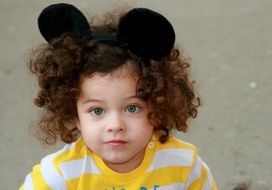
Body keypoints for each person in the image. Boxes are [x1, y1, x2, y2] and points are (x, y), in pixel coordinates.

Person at [20, 3, 217, 190]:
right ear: (74, 115)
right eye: (97, 110)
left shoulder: (184, 165)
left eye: (132, 108)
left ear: (157, 108)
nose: (115, 125)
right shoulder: (58, 176)